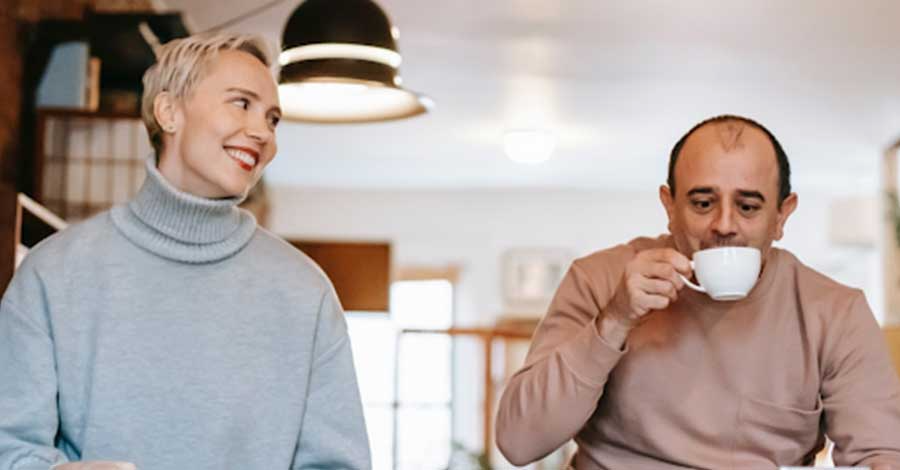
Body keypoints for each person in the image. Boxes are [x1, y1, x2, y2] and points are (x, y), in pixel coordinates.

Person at [0, 33, 370, 470]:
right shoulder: (53, 273)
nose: (262, 134)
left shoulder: (306, 294)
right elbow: (10, 447)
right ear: (169, 111)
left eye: (272, 119)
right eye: (241, 103)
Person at [495, 115, 900, 469]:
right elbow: (518, 442)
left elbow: (882, 455)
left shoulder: (835, 312)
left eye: (748, 207)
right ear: (669, 207)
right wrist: (615, 319)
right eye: (703, 203)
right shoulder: (599, 280)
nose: (724, 225)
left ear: (782, 215)